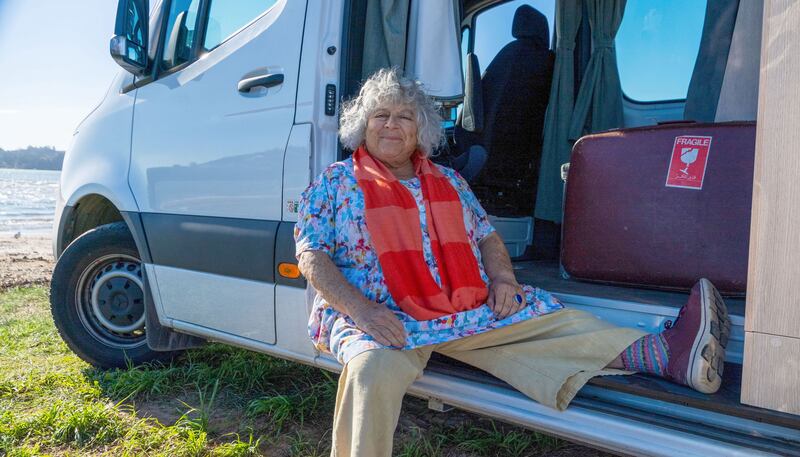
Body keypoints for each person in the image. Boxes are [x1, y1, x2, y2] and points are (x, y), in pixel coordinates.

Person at [294, 68, 730, 457]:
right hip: (381, 316)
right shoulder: (336, 181)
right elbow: (311, 254)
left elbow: (486, 235)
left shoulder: (449, 181)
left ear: (421, 129)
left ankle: (663, 353)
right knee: (369, 371)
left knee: (543, 315)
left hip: (458, 309)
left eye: (404, 116)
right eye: (380, 115)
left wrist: (503, 279)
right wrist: (363, 312)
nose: (391, 124)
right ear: (363, 125)